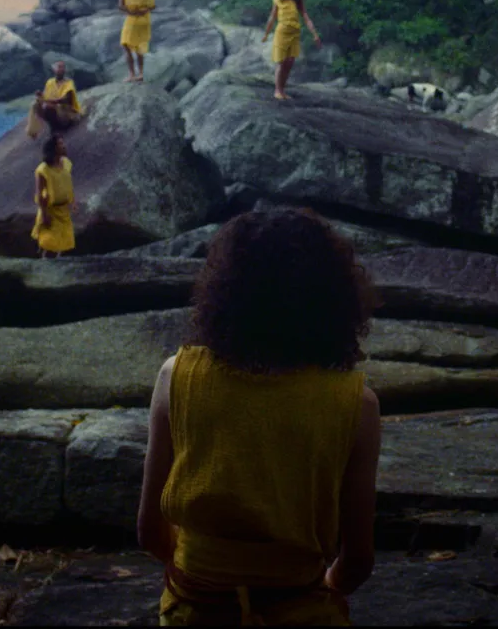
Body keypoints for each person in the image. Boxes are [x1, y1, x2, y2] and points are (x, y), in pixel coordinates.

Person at [137, 208, 382, 626]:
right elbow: (357, 561)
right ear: (335, 300)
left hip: (193, 612)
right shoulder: (357, 405)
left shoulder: (175, 376)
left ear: (224, 291)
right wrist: (319, 587)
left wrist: (210, 580)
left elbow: (149, 532)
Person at [261, 0, 323, 101]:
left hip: (294, 33)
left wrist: (315, 34)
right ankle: (277, 91)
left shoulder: (297, 1)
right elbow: (272, 17)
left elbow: (306, 18)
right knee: (281, 61)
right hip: (282, 33)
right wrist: (266, 34)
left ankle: (282, 91)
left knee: (289, 62)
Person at [31, 135, 75, 258]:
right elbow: (40, 193)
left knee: (64, 241)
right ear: (53, 148)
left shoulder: (66, 163)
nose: (64, 146)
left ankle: (58, 261)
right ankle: (44, 261)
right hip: (51, 210)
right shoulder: (43, 169)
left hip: (63, 210)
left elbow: (67, 182)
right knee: (49, 241)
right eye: (60, 144)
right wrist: (45, 214)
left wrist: (73, 201)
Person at [26, 61, 83, 139]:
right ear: (54, 69)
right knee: (35, 104)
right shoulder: (50, 82)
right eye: (59, 67)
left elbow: (65, 99)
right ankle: (33, 131)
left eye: (63, 67)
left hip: (66, 113)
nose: (61, 69)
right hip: (55, 111)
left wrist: (49, 101)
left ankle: (56, 129)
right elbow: (46, 96)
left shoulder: (69, 83)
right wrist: (40, 95)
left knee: (49, 107)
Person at [119, 0, 156, 83]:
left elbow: (121, 5)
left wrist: (132, 12)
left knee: (126, 45)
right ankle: (140, 74)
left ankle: (131, 74)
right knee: (140, 47)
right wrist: (143, 11)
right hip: (145, 19)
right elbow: (152, 6)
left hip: (133, 19)